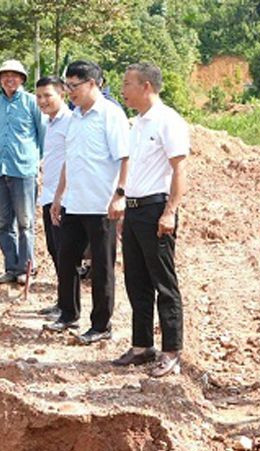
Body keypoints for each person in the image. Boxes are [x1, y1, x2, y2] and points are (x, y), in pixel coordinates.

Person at [113, 62, 189, 377]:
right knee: (136, 281)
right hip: (134, 209)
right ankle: (142, 346)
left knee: (163, 282)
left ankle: (171, 351)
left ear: (146, 86)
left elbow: (179, 169)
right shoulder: (139, 123)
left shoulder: (168, 121)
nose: (123, 90)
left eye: (128, 84)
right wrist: (123, 202)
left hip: (156, 209)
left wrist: (170, 211)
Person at [46, 60, 129, 345]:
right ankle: (68, 313)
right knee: (66, 258)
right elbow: (70, 160)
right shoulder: (75, 117)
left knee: (103, 267)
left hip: (101, 204)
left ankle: (101, 324)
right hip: (74, 202)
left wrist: (120, 194)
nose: (70, 91)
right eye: (67, 86)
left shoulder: (110, 115)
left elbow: (124, 157)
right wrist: (59, 197)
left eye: (74, 86)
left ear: (93, 84)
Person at [0, 59, 44, 285]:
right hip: (0, 170)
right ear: (0, 80)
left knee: (25, 222)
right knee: (2, 223)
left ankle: (26, 268)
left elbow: (43, 134)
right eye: (5, 75)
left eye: (14, 75)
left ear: (21, 79)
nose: (9, 79)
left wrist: (38, 162)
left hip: (24, 170)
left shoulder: (32, 103)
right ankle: (11, 267)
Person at [34, 75, 71, 317]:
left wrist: (61, 195)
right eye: (38, 96)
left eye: (48, 95)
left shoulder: (70, 122)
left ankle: (69, 308)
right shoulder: (49, 123)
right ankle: (63, 302)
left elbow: (71, 159)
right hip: (49, 195)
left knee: (66, 254)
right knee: (54, 250)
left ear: (62, 94)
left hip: (65, 198)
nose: (42, 101)